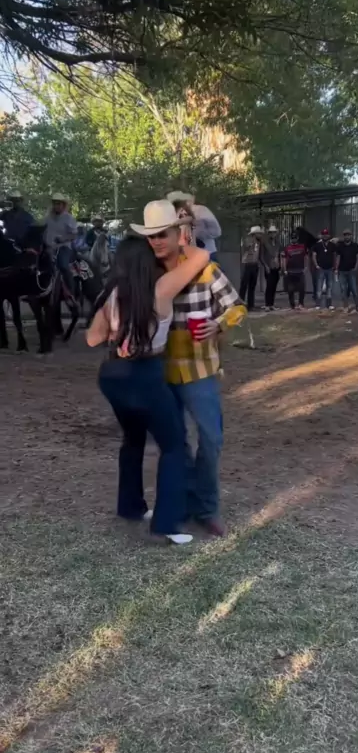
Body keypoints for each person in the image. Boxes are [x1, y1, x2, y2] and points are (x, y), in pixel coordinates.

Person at [86, 202, 210, 545]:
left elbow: (92, 338)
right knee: (173, 446)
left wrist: (116, 328)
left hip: (112, 375)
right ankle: (166, 525)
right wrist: (181, 236)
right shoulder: (163, 287)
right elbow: (202, 257)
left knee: (133, 439)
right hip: (146, 373)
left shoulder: (113, 294)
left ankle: (130, 507)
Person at [146, 201, 246, 536]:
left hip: (200, 371)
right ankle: (185, 503)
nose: (157, 241)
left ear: (179, 234)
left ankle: (207, 507)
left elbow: (236, 307)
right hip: (160, 372)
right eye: (152, 236)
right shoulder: (148, 272)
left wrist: (218, 325)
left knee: (211, 439)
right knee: (175, 444)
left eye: (163, 234)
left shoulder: (206, 270)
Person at [166, 191, 221, 261]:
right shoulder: (172, 213)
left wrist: (195, 234)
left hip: (207, 251)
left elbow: (217, 232)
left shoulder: (201, 210)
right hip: (184, 254)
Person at [44, 193, 77, 295]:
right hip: (48, 248)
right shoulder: (47, 218)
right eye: (55, 203)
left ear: (63, 205)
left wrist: (63, 239)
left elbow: (74, 235)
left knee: (63, 265)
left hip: (63, 247)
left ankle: (71, 291)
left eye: (59, 204)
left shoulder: (68, 218)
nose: (56, 206)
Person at [335, 229, 358, 313]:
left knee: (354, 289)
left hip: (351, 271)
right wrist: (336, 268)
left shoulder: (355, 246)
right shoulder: (340, 246)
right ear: (344, 236)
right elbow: (338, 258)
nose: (347, 236)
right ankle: (345, 307)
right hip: (342, 271)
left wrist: (356, 267)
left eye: (348, 235)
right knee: (343, 290)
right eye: (345, 235)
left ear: (351, 236)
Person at [282, 230, 308, 309]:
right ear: (291, 238)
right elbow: (284, 259)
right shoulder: (287, 248)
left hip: (300, 270)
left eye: (295, 238)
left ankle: (301, 303)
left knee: (302, 288)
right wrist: (284, 269)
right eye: (292, 238)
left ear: (297, 238)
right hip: (290, 271)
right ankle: (292, 305)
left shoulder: (302, 246)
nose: (294, 239)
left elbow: (305, 257)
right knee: (290, 289)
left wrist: (306, 267)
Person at [259, 224, 281, 310]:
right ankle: (267, 304)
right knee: (269, 286)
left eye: (274, 232)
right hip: (268, 267)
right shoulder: (264, 243)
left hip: (276, 267)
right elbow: (261, 256)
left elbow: (280, 254)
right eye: (271, 232)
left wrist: (280, 266)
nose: (273, 234)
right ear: (269, 233)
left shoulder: (278, 243)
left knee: (274, 286)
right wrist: (266, 266)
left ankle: (272, 304)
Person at [312, 229, 336, 310]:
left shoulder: (332, 245)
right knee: (319, 287)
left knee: (329, 287)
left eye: (326, 234)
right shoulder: (317, 245)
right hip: (320, 269)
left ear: (329, 235)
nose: (325, 235)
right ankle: (318, 304)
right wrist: (316, 265)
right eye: (323, 234)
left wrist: (334, 266)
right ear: (321, 235)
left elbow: (335, 256)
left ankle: (329, 304)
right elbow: (314, 256)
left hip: (330, 269)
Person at [240, 226, 261, 311]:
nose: (260, 235)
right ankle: (240, 304)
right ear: (254, 234)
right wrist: (250, 243)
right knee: (244, 285)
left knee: (252, 286)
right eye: (259, 233)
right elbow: (245, 248)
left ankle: (251, 305)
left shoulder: (258, 242)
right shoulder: (248, 240)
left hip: (255, 264)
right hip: (247, 264)